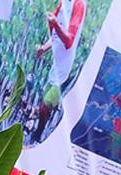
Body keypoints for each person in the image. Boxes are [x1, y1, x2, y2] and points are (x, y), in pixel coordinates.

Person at [33, 0, 86, 142]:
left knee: (45, 106)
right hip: (55, 67)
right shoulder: (63, 2)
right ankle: (41, 136)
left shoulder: (79, 4)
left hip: (64, 70)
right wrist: (43, 48)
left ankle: (38, 137)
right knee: (44, 107)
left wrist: (55, 23)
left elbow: (69, 41)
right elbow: (55, 36)